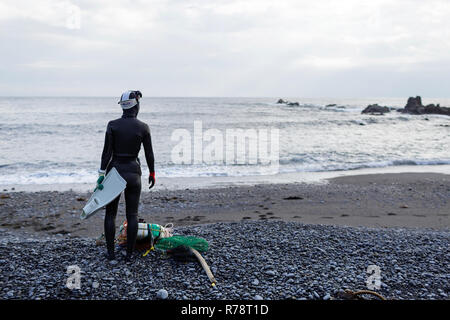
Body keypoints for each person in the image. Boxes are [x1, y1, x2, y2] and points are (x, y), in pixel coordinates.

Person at [96, 90, 155, 262]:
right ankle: (129, 255)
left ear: (122, 107)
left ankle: (111, 253)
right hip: (133, 173)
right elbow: (149, 154)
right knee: (132, 215)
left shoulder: (112, 125)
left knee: (110, 214)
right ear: (136, 105)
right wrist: (152, 172)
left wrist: (101, 174)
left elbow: (106, 153)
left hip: (115, 173)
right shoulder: (143, 127)